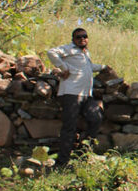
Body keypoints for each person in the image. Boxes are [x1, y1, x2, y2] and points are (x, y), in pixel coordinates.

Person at [46, 28, 110, 167]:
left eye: (84, 36)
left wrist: (103, 67)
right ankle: (62, 162)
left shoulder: (85, 52)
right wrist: (63, 68)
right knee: (69, 127)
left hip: (86, 94)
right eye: (78, 37)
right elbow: (51, 52)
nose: (82, 39)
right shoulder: (69, 48)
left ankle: (82, 154)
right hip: (71, 93)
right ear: (73, 39)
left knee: (96, 118)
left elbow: (88, 67)